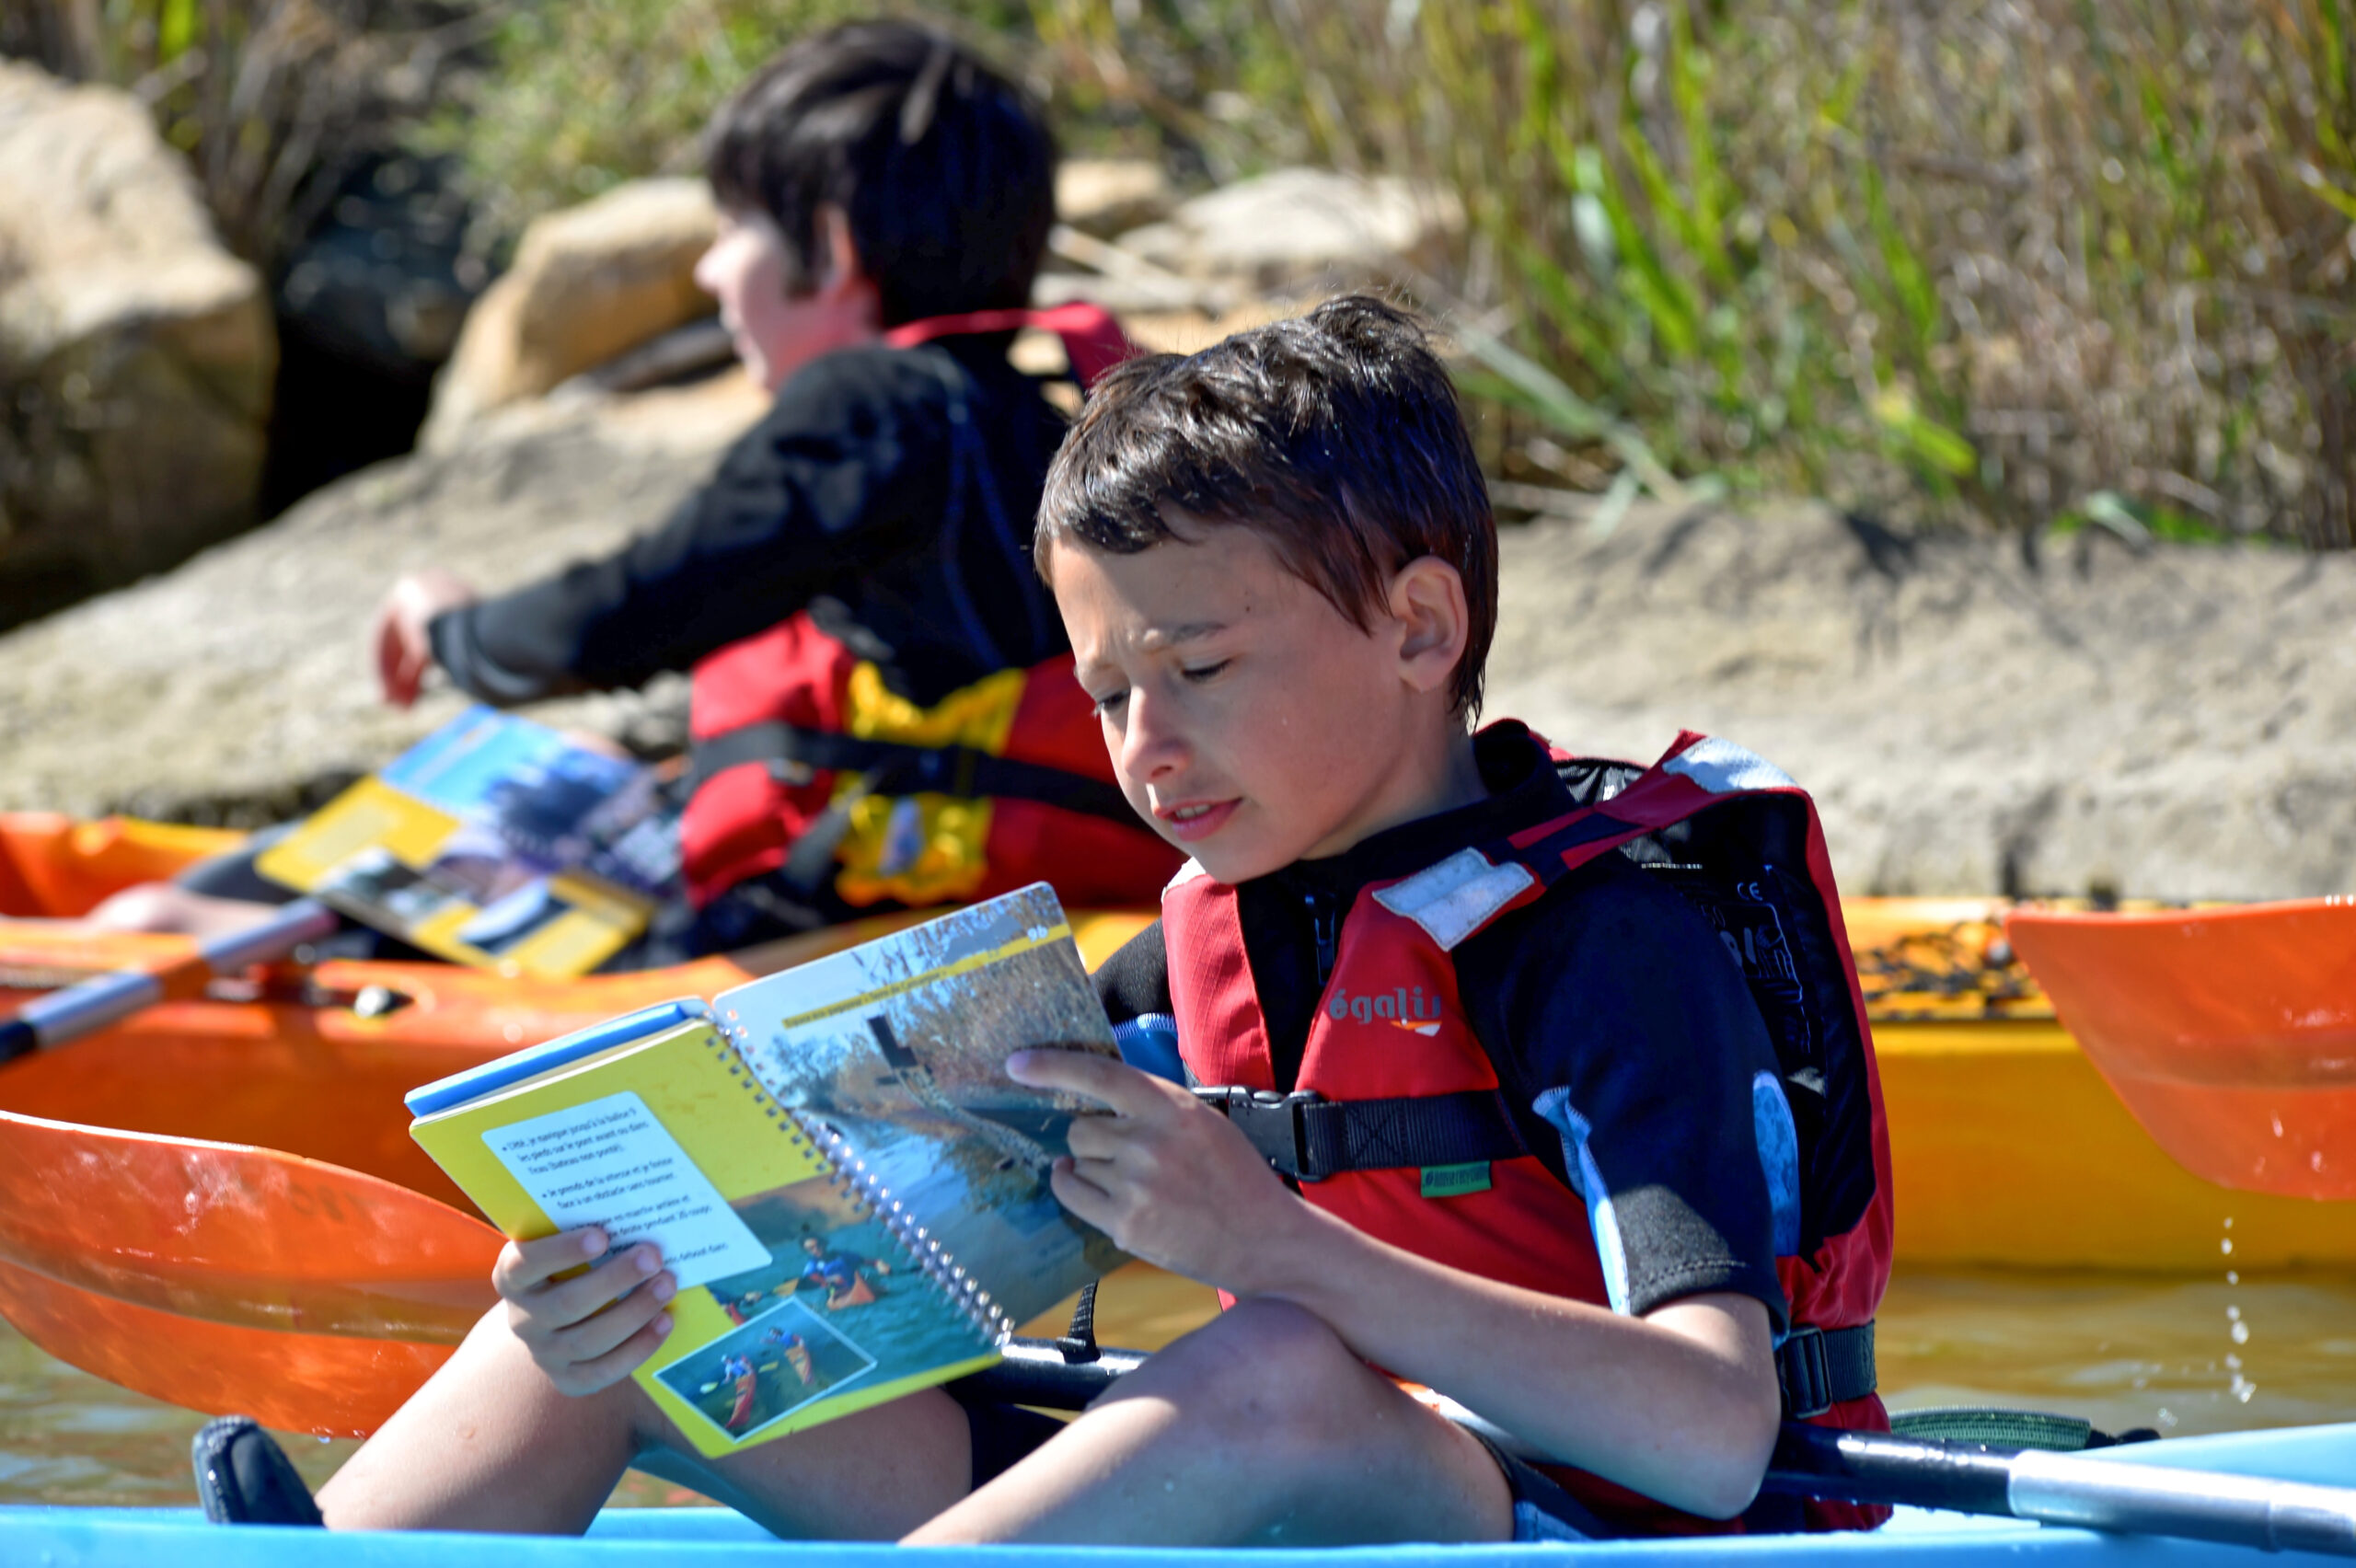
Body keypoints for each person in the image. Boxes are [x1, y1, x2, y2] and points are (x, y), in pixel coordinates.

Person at [193, 297, 1892, 1544]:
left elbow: (1712, 1432)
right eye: (1106, 689)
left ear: (1420, 624)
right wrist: (647, 1267)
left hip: (1592, 1528)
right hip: (1291, 1495)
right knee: (647, 1316)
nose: (1148, 743)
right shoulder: (1187, 955)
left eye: (1202, 667)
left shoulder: (1612, 950)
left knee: (1280, 1358)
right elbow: (905, 1255)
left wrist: (1278, 1248)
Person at [115, 19, 1178, 959]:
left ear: (834, 250)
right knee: (584, 763)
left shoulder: (870, 408)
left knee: (164, 924)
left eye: (732, 231)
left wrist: (455, 633)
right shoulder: (1045, 397)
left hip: (838, 915)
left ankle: (170, 949)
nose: (711, 274)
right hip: (994, 853)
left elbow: (624, 616)